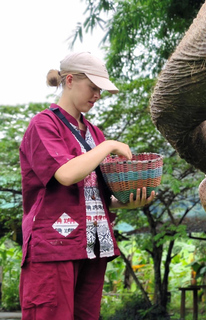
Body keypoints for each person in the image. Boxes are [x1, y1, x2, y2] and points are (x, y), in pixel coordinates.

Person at [19, 52, 156, 320]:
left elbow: (103, 194)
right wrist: (109, 146)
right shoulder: (43, 124)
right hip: (54, 248)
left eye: (100, 90)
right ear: (69, 80)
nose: (97, 95)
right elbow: (66, 175)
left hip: (94, 245)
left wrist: (128, 201)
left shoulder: (94, 133)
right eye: (93, 87)